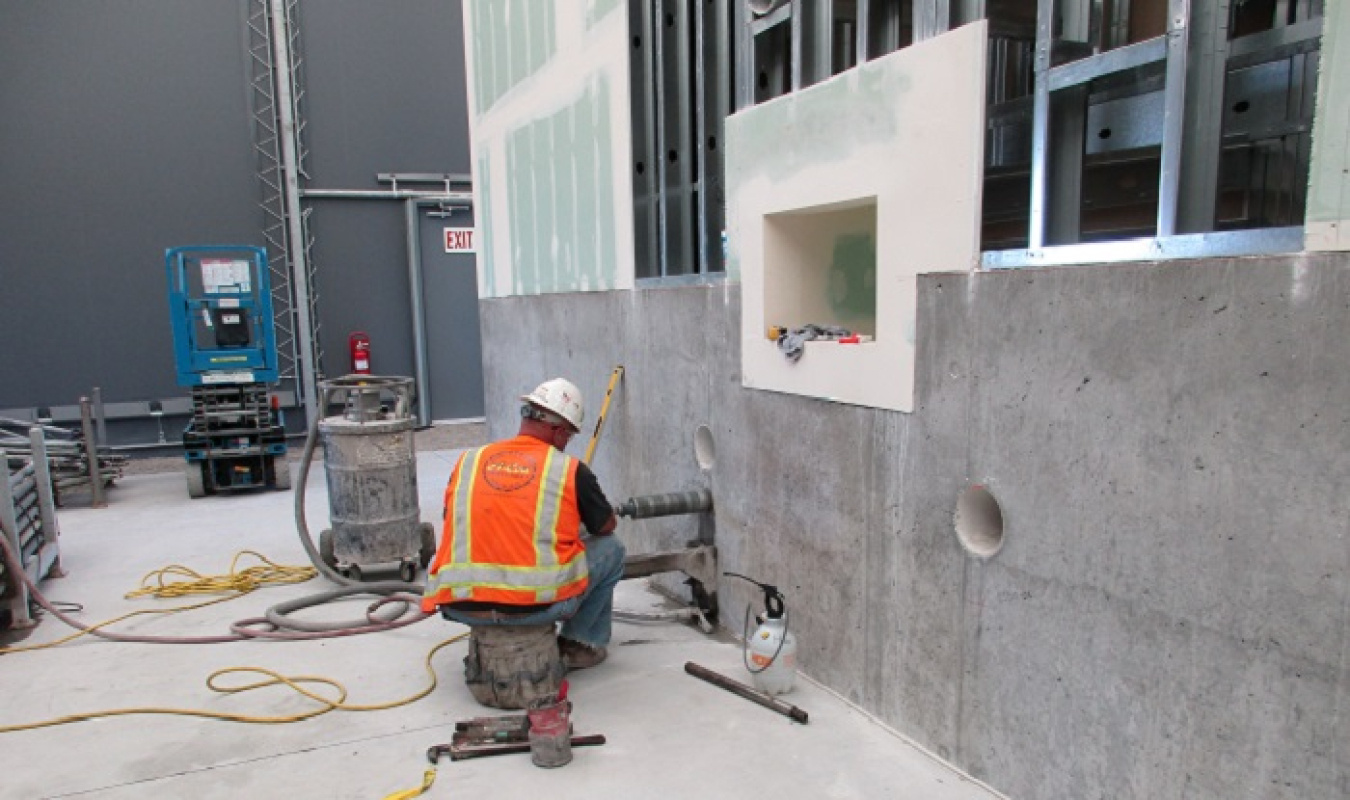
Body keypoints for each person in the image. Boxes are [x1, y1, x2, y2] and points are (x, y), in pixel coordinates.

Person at [421, 378, 625, 670]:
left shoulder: (470, 461)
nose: (566, 443)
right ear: (557, 431)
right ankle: (581, 643)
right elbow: (605, 527)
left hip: (461, 605)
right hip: (533, 607)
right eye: (568, 435)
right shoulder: (569, 470)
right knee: (612, 549)